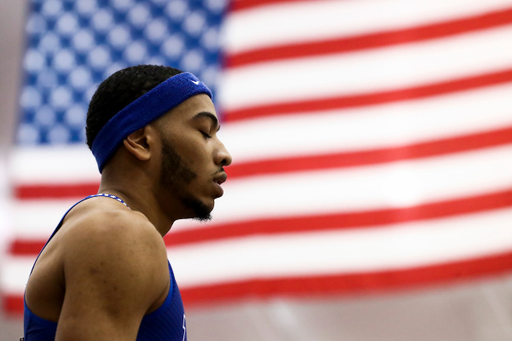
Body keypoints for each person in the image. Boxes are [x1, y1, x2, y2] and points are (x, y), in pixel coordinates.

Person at [22, 65, 232, 341]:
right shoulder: (118, 232)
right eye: (205, 132)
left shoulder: (107, 227)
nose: (224, 154)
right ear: (141, 141)